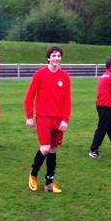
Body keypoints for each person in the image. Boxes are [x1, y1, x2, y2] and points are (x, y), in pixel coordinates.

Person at [24, 45, 72, 194]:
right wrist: (29, 117)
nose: (56, 58)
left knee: (53, 149)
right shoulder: (40, 74)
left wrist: (65, 120)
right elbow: (29, 96)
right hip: (44, 116)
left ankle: (49, 183)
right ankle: (33, 174)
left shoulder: (65, 76)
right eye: (53, 55)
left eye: (59, 55)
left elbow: (67, 100)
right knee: (44, 149)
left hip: (59, 119)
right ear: (48, 58)